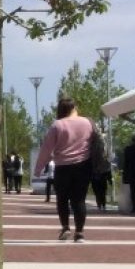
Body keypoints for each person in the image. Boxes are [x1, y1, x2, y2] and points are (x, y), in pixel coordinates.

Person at [34, 97, 95, 242]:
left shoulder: (57, 125)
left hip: (62, 166)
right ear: (74, 107)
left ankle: (65, 227)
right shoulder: (87, 123)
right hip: (83, 165)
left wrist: (38, 168)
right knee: (79, 200)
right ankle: (79, 232)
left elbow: (46, 149)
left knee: (62, 199)